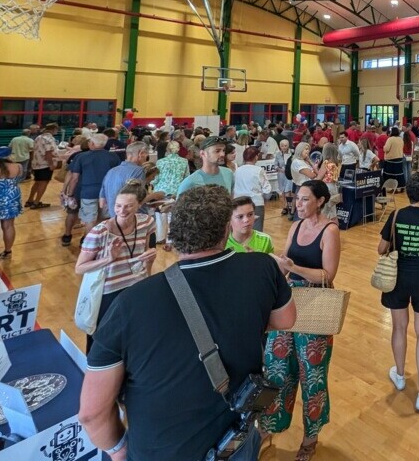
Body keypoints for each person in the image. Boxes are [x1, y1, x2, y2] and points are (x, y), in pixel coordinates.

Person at [79, 185, 294, 461]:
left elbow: (91, 412)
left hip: (161, 450)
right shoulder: (262, 267)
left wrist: (119, 450)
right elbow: (284, 319)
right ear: (226, 230)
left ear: (174, 235)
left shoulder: (129, 304)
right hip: (235, 440)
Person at [263, 181, 340, 461]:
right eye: (297, 198)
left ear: (320, 201)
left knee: (313, 375)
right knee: (276, 366)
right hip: (288, 302)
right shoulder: (295, 226)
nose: (298, 203)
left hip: (315, 307)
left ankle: (311, 437)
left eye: (305, 199)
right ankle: (270, 425)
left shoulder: (330, 231)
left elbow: (327, 275)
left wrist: (294, 268)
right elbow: (286, 263)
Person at [377, 173, 419, 411]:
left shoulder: (396, 216)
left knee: (398, 327)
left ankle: (400, 375)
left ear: (407, 193)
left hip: (398, 277)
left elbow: (381, 248)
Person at [75, 179, 158, 350]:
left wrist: (149, 262)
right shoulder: (100, 232)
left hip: (136, 287)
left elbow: (148, 252)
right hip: (108, 292)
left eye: (128, 206)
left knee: (132, 335)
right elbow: (80, 267)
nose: (122, 210)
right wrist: (108, 259)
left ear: (138, 205)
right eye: (118, 206)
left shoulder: (147, 223)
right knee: (100, 338)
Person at [67, 134, 122, 228]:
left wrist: (70, 194)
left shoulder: (81, 157)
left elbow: (74, 178)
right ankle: (99, 238)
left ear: (92, 143)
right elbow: (118, 175)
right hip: (107, 192)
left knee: (89, 219)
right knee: (103, 218)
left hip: (88, 192)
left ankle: (88, 240)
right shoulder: (113, 156)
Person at [100, 142, 149, 213]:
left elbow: (102, 203)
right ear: (141, 153)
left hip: (115, 216)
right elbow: (138, 198)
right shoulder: (139, 171)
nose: (146, 159)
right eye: (146, 155)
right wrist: (155, 195)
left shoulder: (111, 171)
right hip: (133, 217)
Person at [233, 146, 271, 231]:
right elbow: (267, 188)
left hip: (239, 203)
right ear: (256, 157)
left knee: (241, 229)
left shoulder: (237, 170)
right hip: (256, 203)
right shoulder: (259, 170)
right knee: (256, 230)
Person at [26, 122, 59, 209]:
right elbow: (48, 152)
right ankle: (36, 202)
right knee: (43, 183)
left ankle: (30, 200)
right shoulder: (49, 139)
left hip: (36, 163)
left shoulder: (38, 137)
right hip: (45, 164)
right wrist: (51, 164)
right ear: (53, 130)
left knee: (37, 182)